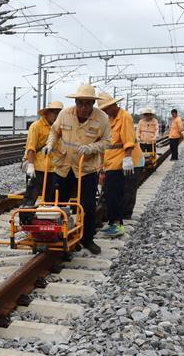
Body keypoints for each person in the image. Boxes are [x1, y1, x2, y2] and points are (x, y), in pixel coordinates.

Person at [43, 83, 112, 255]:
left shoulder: (102, 118)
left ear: (93, 104)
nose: (83, 107)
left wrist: (92, 148)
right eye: (80, 102)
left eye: (87, 103)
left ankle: (87, 238)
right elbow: (54, 132)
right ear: (75, 101)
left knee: (87, 205)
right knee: (56, 202)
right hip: (64, 165)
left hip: (86, 168)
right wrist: (50, 144)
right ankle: (55, 235)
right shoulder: (65, 114)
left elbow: (107, 142)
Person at [97, 93, 137, 237]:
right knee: (109, 194)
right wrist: (101, 166)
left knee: (114, 194)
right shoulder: (109, 119)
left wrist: (127, 158)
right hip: (109, 161)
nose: (106, 111)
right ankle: (113, 222)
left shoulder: (124, 117)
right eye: (104, 109)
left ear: (114, 105)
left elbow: (129, 139)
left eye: (107, 108)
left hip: (119, 162)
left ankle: (118, 225)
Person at [23, 101, 63, 203]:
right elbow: (31, 147)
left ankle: (47, 218)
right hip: (38, 167)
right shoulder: (36, 126)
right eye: (54, 112)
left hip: (54, 168)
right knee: (31, 195)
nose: (57, 116)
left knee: (51, 198)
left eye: (59, 113)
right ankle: (26, 217)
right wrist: (31, 165)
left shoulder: (60, 127)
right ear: (47, 113)